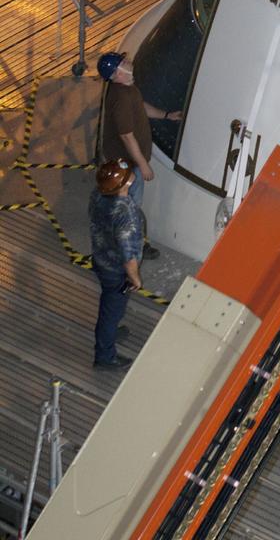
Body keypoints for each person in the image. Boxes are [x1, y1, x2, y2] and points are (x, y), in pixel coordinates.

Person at [98, 50, 181, 256]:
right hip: (127, 166)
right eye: (123, 62)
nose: (128, 62)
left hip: (129, 162)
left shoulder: (127, 88)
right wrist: (142, 164)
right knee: (130, 207)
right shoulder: (122, 98)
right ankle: (128, 247)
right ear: (117, 74)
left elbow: (140, 106)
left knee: (126, 205)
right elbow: (126, 135)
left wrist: (167, 115)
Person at [89, 158, 143, 369]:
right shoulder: (126, 214)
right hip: (116, 271)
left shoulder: (97, 195)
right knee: (110, 309)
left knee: (111, 304)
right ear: (125, 185)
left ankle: (110, 331)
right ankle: (105, 356)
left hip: (101, 258)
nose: (131, 174)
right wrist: (135, 278)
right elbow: (128, 255)